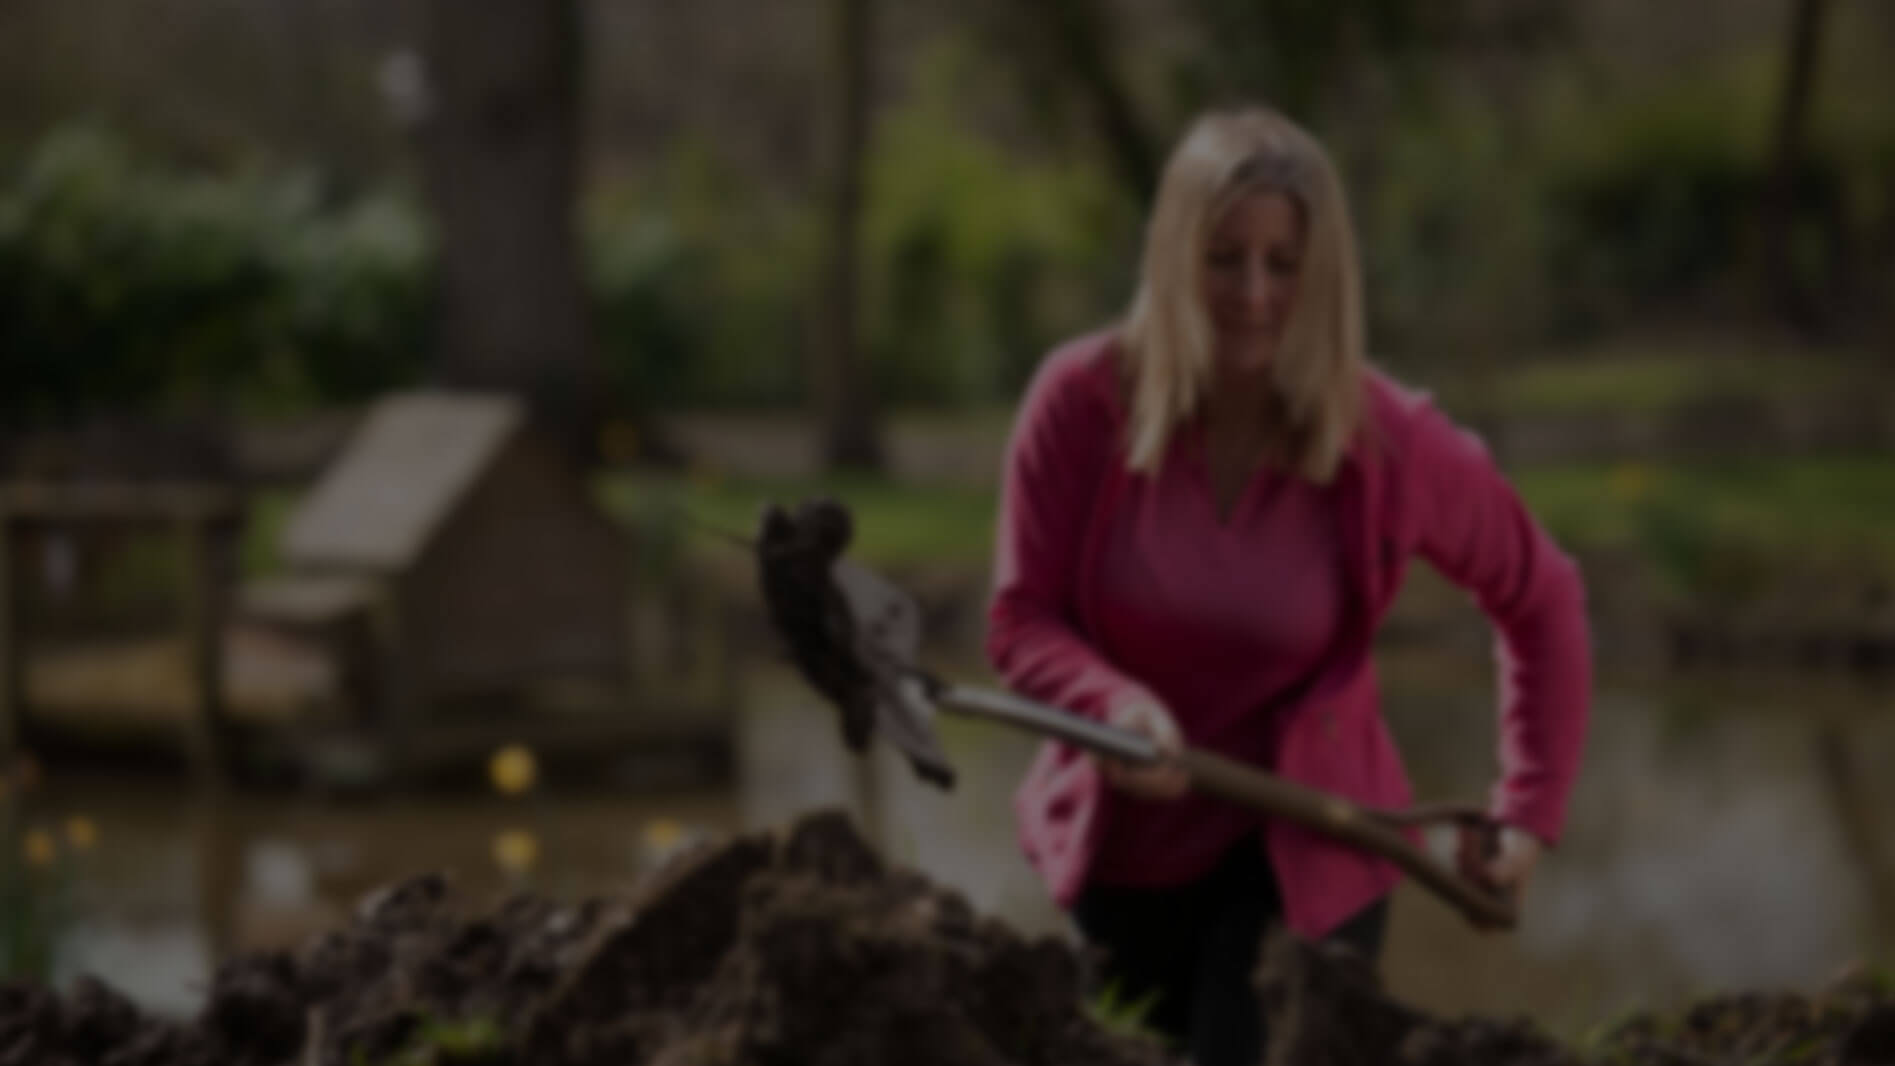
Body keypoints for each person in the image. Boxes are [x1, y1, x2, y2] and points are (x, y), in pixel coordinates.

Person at [985, 106, 1592, 1066]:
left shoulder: (1388, 441)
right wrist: (1113, 703)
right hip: (1122, 860)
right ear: (1172, 256)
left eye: (1285, 261)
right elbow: (1021, 621)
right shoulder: (1079, 402)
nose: (1255, 293)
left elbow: (1544, 598)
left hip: (1314, 858)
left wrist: (1525, 810)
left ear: (1327, 275)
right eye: (1224, 258)